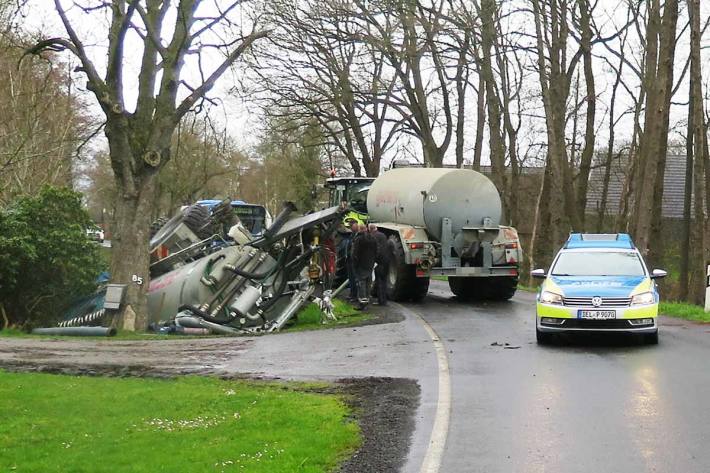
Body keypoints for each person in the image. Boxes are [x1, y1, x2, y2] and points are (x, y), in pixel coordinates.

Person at [351, 223, 377, 310]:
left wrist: (355, 264)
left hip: (361, 264)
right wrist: (373, 261)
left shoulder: (359, 239)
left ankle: (362, 303)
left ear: (359, 229)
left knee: (361, 282)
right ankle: (367, 300)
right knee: (368, 283)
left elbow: (355, 253)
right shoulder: (373, 238)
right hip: (370, 264)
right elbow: (377, 251)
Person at [369, 224, 390, 306]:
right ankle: (384, 300)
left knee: (379, 281)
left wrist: (374, 260)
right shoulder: (383, 235)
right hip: (386, 261)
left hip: (379, 262)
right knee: (384, 281)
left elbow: (376, 250)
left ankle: (381, 301)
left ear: (370, 229)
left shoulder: (373, 237)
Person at [344, 219, 359, 301]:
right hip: (349, 259)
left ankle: (355, 295)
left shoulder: (357, 236)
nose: (350, 228)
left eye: (351, 226)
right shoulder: (352, 235)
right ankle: (352, 294)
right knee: (351, 278)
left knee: (354, 278)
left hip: (354, 260)